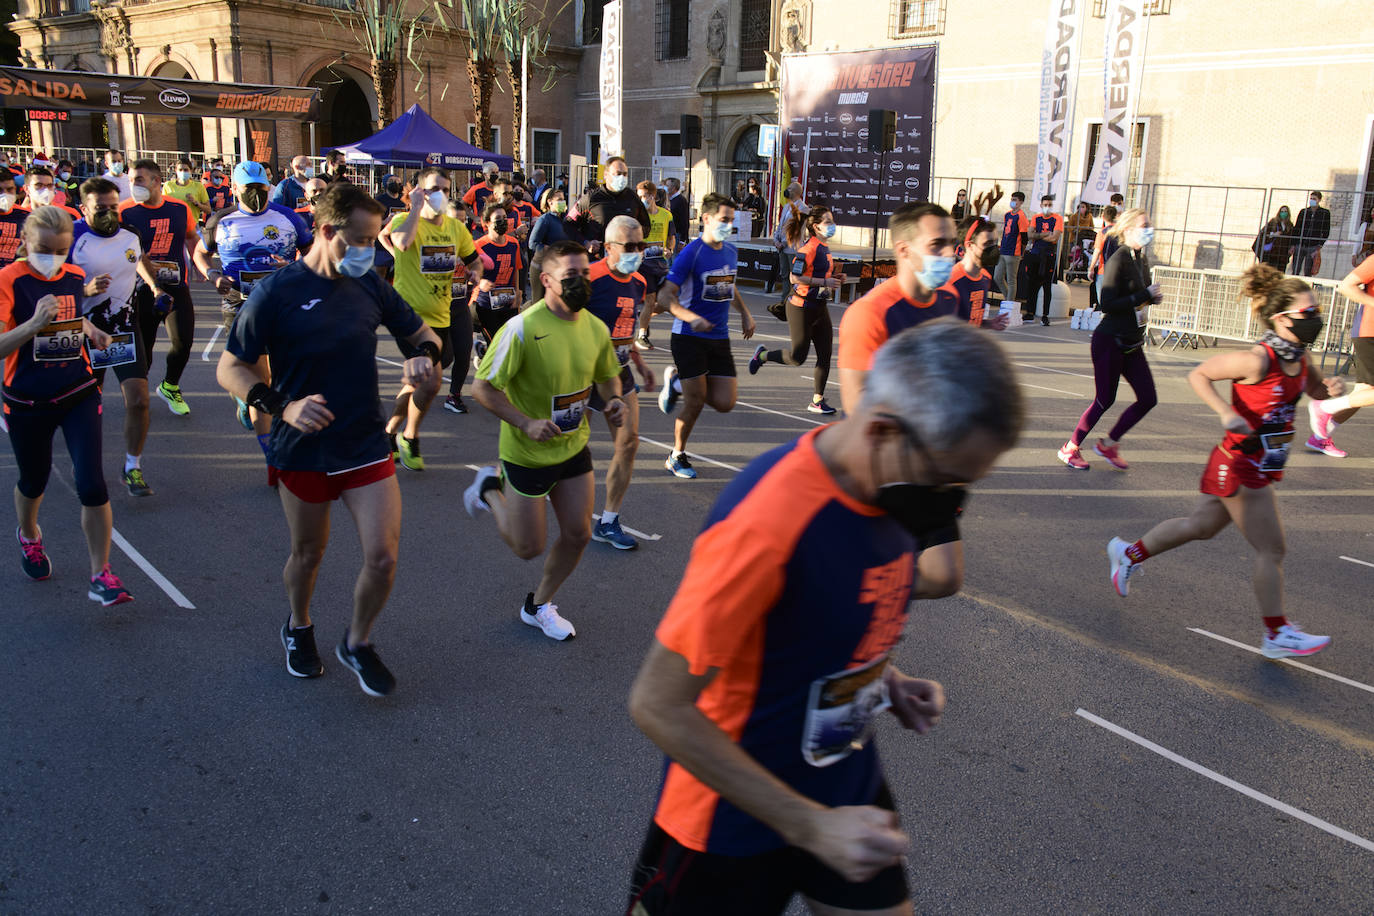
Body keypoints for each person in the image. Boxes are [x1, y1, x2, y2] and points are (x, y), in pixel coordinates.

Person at [624, 320, 1022, 916]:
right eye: (945, 479)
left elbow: (819, 615)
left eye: (967, 486)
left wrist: (886, 679)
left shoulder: (896, 495)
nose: (952, 504)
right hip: (730, 819)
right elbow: (657, 703)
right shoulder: (768, 519)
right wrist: (808, 827)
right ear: (884, 430)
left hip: (842, 784)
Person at [217, 183, 440, 696]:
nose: (368, 251)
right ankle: (298, 625)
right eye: (360, 240)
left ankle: (357, 643)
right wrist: (283, 406)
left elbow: (423, 333)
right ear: (325, 231)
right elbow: (231, 369)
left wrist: (426, 356)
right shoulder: (276, 292)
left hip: (363, 441)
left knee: (383, 557)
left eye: (373, 240)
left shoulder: (370, 287)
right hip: (305, 449)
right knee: (309, 554)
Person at [1107, 265, 1342, 659]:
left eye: (1317, 311)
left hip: (1256, 463)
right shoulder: (1258, 360)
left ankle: (1127, 554)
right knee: (1273, 550)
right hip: (1240, 463)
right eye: (1308, 313)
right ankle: (1276, 633)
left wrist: (1334, 388)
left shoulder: (1301, 361)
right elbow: (1199, 374)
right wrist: (1225, 412)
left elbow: (1318, 390)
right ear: (1281, 318)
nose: (1316, 319)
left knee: (1199, 527)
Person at [463, 240, 624, 641]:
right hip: (526, 454)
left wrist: (616, 400)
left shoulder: (595, 327)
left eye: (586, 274)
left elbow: (608, 375)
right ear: (547, 280)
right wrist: (525, 422)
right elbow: (482, 388)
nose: (582, 283)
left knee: (579, 534)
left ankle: (538, 606)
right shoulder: (522, 328)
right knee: (527, 548)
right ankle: (490, 491)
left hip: (572, 448)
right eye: (572, 277)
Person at [1, 205, 132, 605]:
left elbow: (72, 318)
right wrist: (33, 326)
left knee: (92, 483)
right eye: (44, 249)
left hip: (77, 390)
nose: (52, 259)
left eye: (60, 250)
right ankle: (29, 535)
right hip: (26, 397)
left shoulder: (74, 277)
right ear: (25, 242)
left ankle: (101, 574)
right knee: (34, 479)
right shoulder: (8, 280)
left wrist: (93, 331)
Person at [194, 161, 313, 470]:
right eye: (249, 190)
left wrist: (295, 269)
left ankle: (252, 405)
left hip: (284, 307)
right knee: (262, 383)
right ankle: (271, 454)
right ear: (235, 189)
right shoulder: (221, 220)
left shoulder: (287, 217)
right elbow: (199, 253)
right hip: (240, 306)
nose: (257, 195)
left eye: (262, 189)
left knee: (281, 378)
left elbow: (312, 253)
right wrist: (212, 275)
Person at [378, 166, 481, 470]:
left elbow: (474, 259)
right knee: (433, 379)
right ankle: (409, 436)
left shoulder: (455, 228)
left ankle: (388, 433)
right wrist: (415, 209)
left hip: (440, 314)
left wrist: (477, 273)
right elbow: (401, 243)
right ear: (419, 192)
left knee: (417, 382)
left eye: (447, 190)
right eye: (435, 189)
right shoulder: (403, 221)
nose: (442, 196)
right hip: (407, 316)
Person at [73, 177, 169, 496]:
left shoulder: (130, 234)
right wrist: (83, 290)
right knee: (87, 407)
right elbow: (51, 283)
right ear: (83, 208)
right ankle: (85, 464)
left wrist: (155, 287)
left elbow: (138, 258)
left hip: (123, 330)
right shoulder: (71, 236)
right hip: (85, 332)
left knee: (140, 401)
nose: (109, 214)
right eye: (100, 208)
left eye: (113, 207)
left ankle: (132, 467)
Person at [656, 193, 757, 479]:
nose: (728, 225)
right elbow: (665, 296)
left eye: (731, 220)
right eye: (724, 219)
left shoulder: (731, 252)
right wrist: (692, 318)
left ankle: (676, 383)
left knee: (726, 402)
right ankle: (676, 455)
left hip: (719, 336)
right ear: (707, 219)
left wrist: (745, 313)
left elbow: (730, 284)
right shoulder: (693, 252)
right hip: (688, 335)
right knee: (697, 400)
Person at [1056, 208, 1161, 471]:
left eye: (1149, 225)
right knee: (1105, 399)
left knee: (1148, 398)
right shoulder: (1119, 258)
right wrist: (1142, 296)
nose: (1149, 229)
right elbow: (1108, 303)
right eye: (1144, 225)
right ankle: (1070, 448)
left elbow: (1141, 293)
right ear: (1127, 229)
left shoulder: (1140, 259)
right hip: (1110, 339)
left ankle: (1109, 443)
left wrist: (1151, 297)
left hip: (1132, 340)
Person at [838, 202, 959, 417]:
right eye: (937, 244)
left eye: (952, 243)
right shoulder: (869, 313)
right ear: (904, 250)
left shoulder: (949, 296)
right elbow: (857, 409)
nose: (950, 253)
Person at [586, 215, 656, 550]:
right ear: (609, 247)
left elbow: (625, 327)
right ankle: (503, 482)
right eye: (630, 246)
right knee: (559, 448)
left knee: (628, 443)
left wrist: (639, 364)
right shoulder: (588, 277)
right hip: (581, 374)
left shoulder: (639, 281)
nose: (637, 251)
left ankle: (609, 521)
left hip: (620, 372)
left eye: (641, 244)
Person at [121, 159, 204, 419]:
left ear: (157, 182)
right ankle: (139, 391)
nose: (133, 185)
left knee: (183, 341)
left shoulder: (179, 208)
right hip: (141, 289)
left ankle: (170, 386)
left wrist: (200, 263)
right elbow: (121, 248)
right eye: (131, 180)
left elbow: (191, 237)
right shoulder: (125, 211)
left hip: (177, 285)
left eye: (139, 180)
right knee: (144, 346)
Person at [748, 204, 842, 415]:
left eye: (832, 221)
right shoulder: (808, 249)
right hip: (801, 308)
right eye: (828, 222)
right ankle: (761, 356)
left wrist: (834, 279)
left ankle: (817, 400)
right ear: (816, 227)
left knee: (825, 355)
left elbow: (821, 277)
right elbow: (794, 277)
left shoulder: (825, 248)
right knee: (797, 357)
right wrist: (823, 280)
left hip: (820, 307)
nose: (832, 225)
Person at [1306, 251, 1374, 457]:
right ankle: (1325, 407)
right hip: (1369, 331)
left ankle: (1320, 437)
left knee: (1362, 394)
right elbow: (1346, 286)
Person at [441, 199, 480, 415]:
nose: (461, 225)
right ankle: (423, 386)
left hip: (460, 304)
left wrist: (475, 274)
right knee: (445, 357)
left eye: (464, 221)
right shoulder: (434, 242)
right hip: (437, 307)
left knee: (464, 352)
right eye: (456, 220)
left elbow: (478, 263)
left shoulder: (466, 242)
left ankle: (454, 395)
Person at [938, 217, 1009, 331]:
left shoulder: (985, 277)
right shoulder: (951, 281)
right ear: (970, 245)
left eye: (995, 242)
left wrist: (988, 324)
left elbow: (970, 320)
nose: (994, 248)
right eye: (988, 243)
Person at [470, 201, 524, 347]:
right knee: (497, 346)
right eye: (498, 219)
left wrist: (518, 294)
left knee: (510, 345)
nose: (503, 222)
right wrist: (481, 282)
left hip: (508, 301)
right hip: (485, 304)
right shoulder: (479, 245)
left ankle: (483, 352)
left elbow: (517, 269)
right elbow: (469, 272)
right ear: (487, 223)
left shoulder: (513, 243)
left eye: (505, 218)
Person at [573, 157, 651, 256]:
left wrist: (631, 236)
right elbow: (569, 224)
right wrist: (585, 243)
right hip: (597, 260)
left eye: (625, 174)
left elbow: (646, 226)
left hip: (626, 259)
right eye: (618, 174)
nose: (622, 177)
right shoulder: (591, 198)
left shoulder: (633, 198)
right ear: (606, 175)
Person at [633, 180, 676, 350]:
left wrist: (670, 250)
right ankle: (642, 335)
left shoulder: (666, 215)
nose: (642, 200)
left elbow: (671, 237)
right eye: (639, 197)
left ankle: (641, 315)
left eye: (644, 196)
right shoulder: (636, 216)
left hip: (661, 263)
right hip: (643, 265)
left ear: (653, 196)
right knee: (650, 300)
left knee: (666, 301)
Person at [1022, 194, 1063, 326]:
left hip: (1049, 255)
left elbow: (1054, 238)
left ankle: (1045, 315)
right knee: (1032, 285)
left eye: (1049, 205)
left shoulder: (1057, 218)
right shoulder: (1036, 217)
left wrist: (1038, 236)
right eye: (1045, 205)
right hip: (1035, 254)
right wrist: (1044, 234)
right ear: (1041, 205)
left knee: (1047, 286)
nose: (1047, 207)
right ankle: (1030, 312)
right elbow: (1029, 235)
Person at [769, 182, 810, 296]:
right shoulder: (787, 206)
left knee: (795, 277)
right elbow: (780, 225)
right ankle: (784, 299)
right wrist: (776, 239)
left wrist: (783, 243)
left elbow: (796, 230)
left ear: (796, 192)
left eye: (790, 188)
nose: (786, 190)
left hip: (793, 248)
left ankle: (793, 300)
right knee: (784, 274)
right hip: (782, 248)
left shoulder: (803, 208)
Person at [993, 190, 1028, 304]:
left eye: (1015, 200)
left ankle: (1009, 303)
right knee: (997, 277)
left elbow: (1024, 236)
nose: (1013, 202)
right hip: (1003, 250)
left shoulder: (1021, 216)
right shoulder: (1007, 215)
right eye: (1012, 199)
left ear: (1021, 202)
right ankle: (1008, 298)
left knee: (1011, 279)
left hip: (1014, 252)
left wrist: (1022, 251)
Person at [1290, 191, 1330, 277]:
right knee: (1295, 269)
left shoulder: (1324, 213)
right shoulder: (1304, 212)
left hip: (1313, 245)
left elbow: (1326, 230)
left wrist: (1319, 246)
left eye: (1314, 199)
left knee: (1308, 270)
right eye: (1311, 198)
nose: (1312, 200)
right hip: (1300, 243)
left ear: (1319, 200)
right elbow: (1297, 228)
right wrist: (1293, 244)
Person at [163, 156, 212, 221]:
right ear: (176, 170)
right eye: (180, 170)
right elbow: (163, 206)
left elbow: (208, 210)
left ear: (191, 171)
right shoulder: (168, 185)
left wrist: (196, 203)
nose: (183, 172)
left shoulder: (199, 186)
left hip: (192, 225)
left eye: (186, 170)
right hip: (173, 224)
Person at [527, 188, 569, 260]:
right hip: (551, 262)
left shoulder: (566, 219)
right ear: (550, 202)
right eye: (559, 200)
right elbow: (532, 244)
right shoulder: (545, 219)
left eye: (563, 199)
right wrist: (550, 250)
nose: (563, 202)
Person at [1251, 205, 1294, 271]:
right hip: (1271, 253)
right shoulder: (1273, 222)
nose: (1283, 213)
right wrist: (1274, 234)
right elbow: (1264, 233)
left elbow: (1290, 239)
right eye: (1282, 211)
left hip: (1282, 255)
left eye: (1285, 211)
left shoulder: (1289, 225)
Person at [0, 171, 27, 269]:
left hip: (16, 277)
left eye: (9, 189)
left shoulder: (27, 216)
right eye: (0, 190)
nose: (5, 194)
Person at [664, 177, 690, 253]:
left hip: (677, 235)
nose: (665, 187)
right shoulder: (669, 199)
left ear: (674, 188)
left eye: (667, 185)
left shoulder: (681, 201)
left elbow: (684, 221)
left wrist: (682, 241)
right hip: (669, 234)